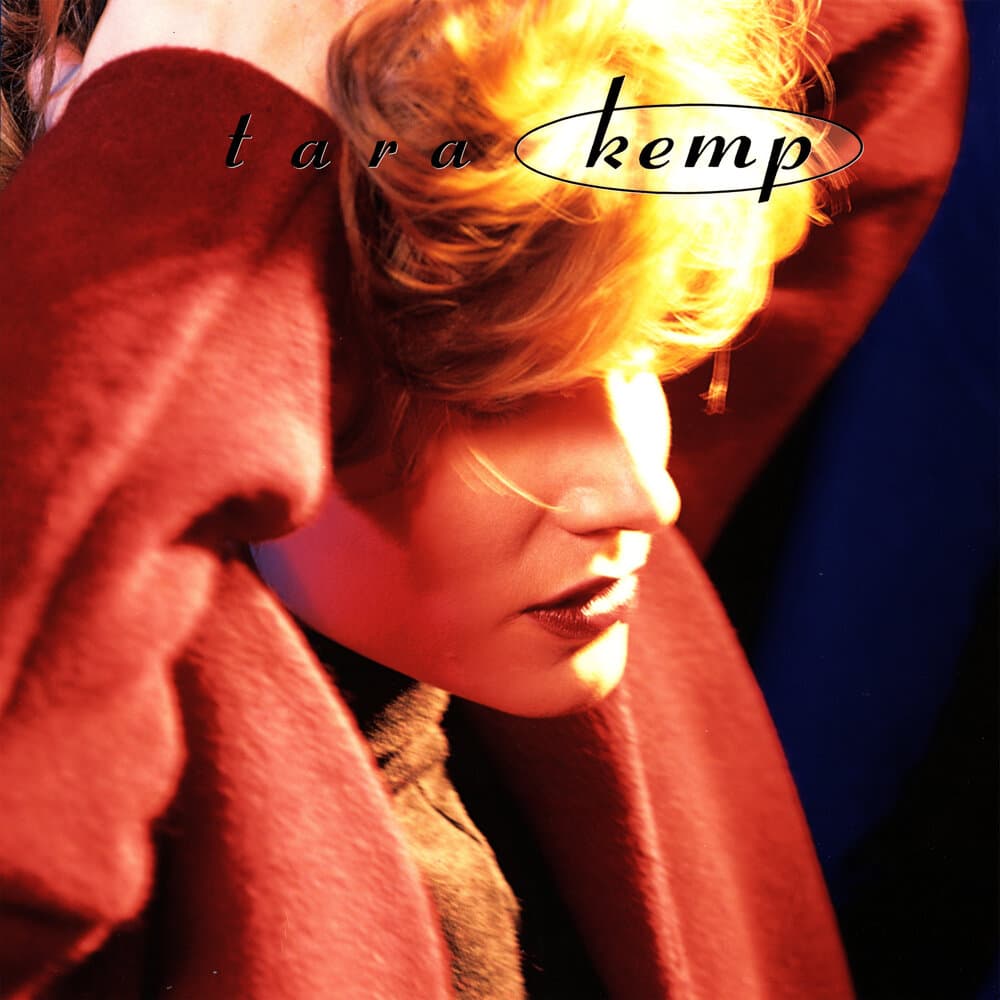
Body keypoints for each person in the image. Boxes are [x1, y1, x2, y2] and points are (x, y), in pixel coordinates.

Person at [0, 0, 965, 997]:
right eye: (499, 395)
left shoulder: (568, 626)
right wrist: (169, 142)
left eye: (639, 354)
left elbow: (888, 51)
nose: (647, 495)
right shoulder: (87, 744)